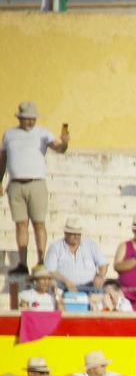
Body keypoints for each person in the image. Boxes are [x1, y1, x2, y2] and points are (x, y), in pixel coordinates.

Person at [3, 101, 69, 275]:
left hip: (36, 183)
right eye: (27, 119)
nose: (30, 122)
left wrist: (64, 143)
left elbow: (58, 148)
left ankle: (41, 261)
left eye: (32, 119)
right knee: (20, 224)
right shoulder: (9, 134)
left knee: (39, 223)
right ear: (20, 118)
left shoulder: (43, 133)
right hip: (16, 183)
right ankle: (23, 263)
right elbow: (2, 157)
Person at [43, 216, 109, 294]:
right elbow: (50, 270)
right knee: (52, 286)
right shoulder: (55, 247)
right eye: (73, 234)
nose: (76, 236)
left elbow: (103, 263)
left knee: (101, 288)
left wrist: (100, 276)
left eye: (78, 234)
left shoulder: (90, 244)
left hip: (89, 286)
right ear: (66, 233)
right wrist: (67, 282)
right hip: (63, 285)